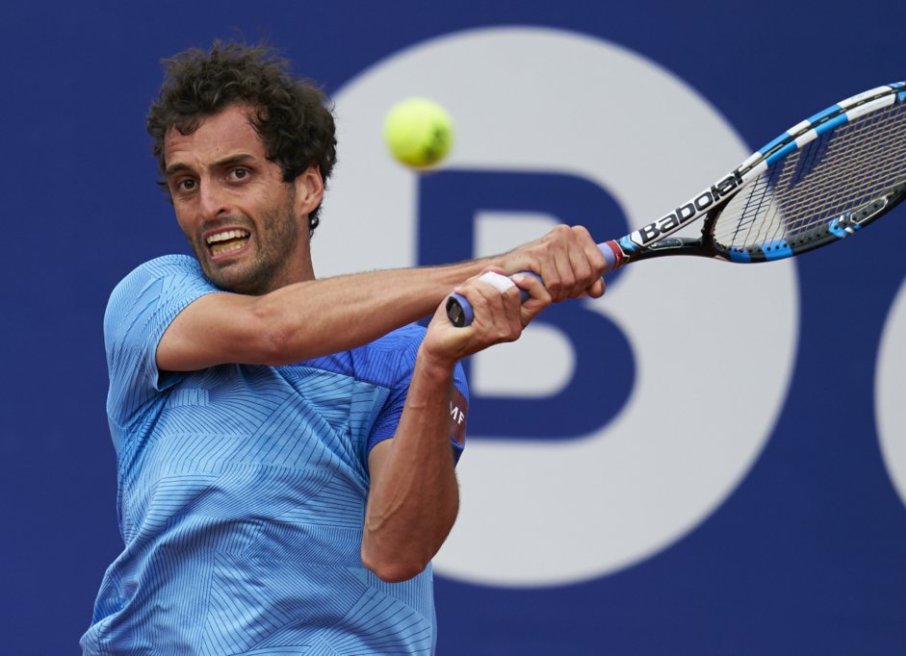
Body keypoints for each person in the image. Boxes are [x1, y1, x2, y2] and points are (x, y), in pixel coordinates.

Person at [81, 41, 605, 654]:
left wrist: (435, 363)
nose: (209, 205)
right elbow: (275, 330)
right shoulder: (153, 299)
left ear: (307, 188)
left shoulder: (404, 358)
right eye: (185, 183)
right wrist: (498, 264)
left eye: (237, 173)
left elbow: (396, 551)